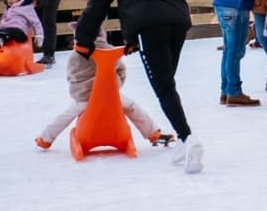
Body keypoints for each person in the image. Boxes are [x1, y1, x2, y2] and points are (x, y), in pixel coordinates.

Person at [73, 0, 200, 172]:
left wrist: (84, 40)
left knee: (164, 86)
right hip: (178, 23)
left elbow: (98, 3)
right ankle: (183, 138)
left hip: (149, 27)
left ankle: (188, 138)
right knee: (167, 83)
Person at [34, 42, 171, 151]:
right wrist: (116, 84)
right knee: (132, 107)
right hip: (110, 96)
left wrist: (81, 87)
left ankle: (45, 139)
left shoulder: (76, 54)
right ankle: (154, 134)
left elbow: (71, 75)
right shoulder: (110, 50)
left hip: (85, 98)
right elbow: (121, 71)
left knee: (66, 116)